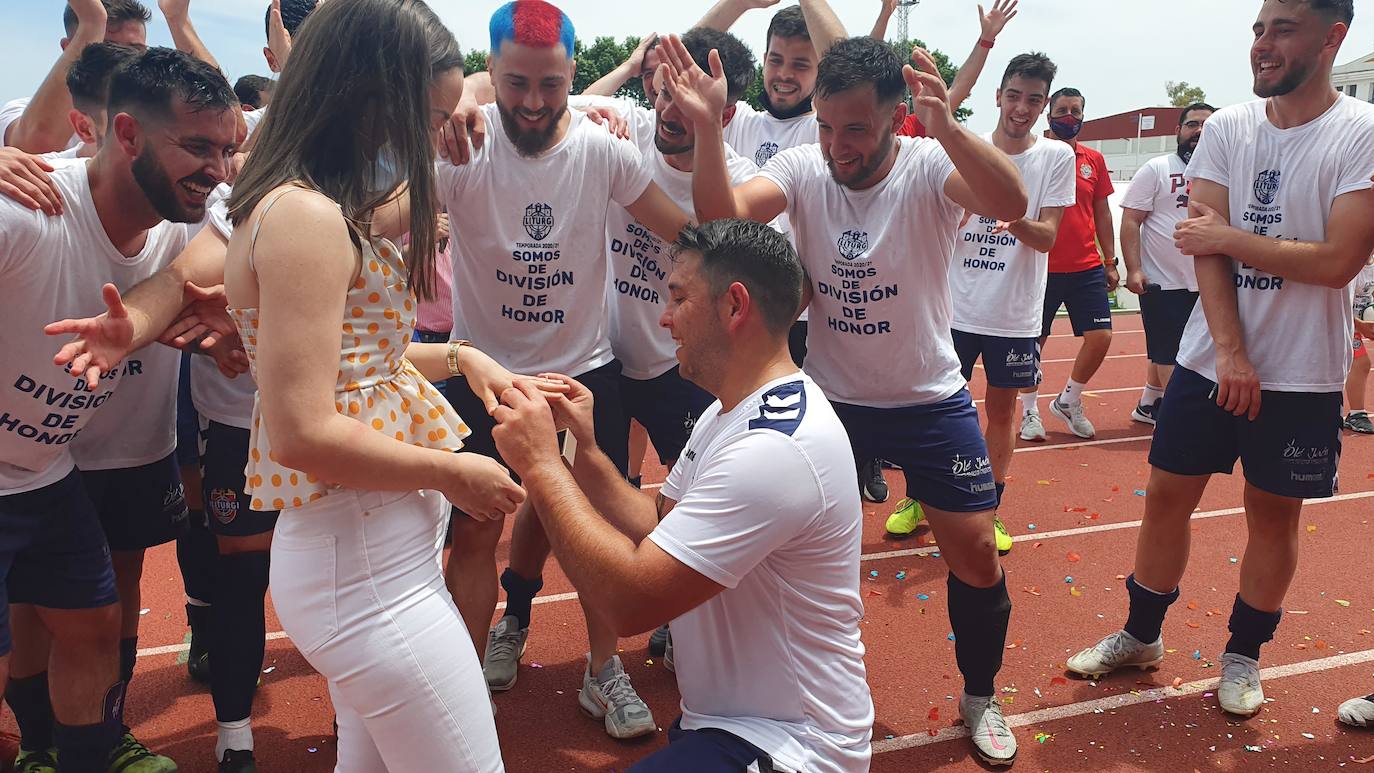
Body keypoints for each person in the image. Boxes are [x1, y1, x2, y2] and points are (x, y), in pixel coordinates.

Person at [673, 31, 1028, 765]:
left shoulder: (930, 165)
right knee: (785, 552)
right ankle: (740, 675)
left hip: (929, 397)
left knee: (976, 558)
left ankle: (981, 695)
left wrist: (950, 128)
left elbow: (1012, 200)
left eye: (857, 129)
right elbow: (727, 228)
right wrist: (709, 130)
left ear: (899, 118)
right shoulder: (805, 168)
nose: (838, 145)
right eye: (828, 126)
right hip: (831, 404)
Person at [1066, 0, 1374, 719]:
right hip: (1211, 362)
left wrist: (1231, 238)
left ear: (1334, 38)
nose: (1262, 45)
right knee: (1167, 497)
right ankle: (1141, 636)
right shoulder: (1230, 126)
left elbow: (1337, 262)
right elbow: (1200, 249)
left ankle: (1243, 656)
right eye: (1258, 29)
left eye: (1282, 30)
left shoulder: (1359, 135)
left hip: (1302, 372)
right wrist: (1230, 350)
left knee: (1273, 516)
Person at [490, 218, 873, 773]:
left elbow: (629, 602)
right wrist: (585, 453)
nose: (664, 318)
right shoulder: (731, 410)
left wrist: (543, 465)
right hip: (731, 726)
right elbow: (657, 523)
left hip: (795, 747)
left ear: (734, 306)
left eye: (678, 297)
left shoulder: (777, 448)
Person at [433, 0, 690, 739]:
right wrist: (441, 116)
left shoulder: (603, 149)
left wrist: (761, 258)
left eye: (551, 85)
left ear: (572, 77)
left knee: (601, 526)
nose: (534, 103)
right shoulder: (460, 149)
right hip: (484, 375)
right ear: (490, 72)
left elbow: (681, 231)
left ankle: (602, 670)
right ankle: (466, 680)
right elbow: (378, 211)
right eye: (515, 83)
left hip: (583, 375)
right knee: (476, 534)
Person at [2, 45, 237, 773]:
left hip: (45, 470)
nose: (218, 169)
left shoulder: (193, 224)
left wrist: (227, 341)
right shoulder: (27, 213)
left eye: (227, 149)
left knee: (98, 621)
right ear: (126, 133)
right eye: (198, 146)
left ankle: (85, 754)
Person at [942, 52, 1074, 556]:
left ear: (1043, 106)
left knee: (1001, 409)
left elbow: (1046, 238)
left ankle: (990, 507)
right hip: (951, 308)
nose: (1022, 108)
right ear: (997, 96)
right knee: (937, 409)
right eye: (1014, 96)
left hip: (1013, 313)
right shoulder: (965, 148)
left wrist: (1012, 217)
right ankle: (924, 499)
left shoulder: (1055, 158)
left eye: (1034, 100)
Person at [1019, 86, 1117, 441]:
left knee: (1101, 336)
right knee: (1034, 344)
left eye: (1076, 110)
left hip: (1086, 266)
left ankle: (1069, 400)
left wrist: (1110, 259)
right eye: (1062, 110)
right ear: (1048, 114)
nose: (1069, 117)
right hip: (1039, 266)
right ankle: (1030, 412)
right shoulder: (1036, 155)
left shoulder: (1094, 160)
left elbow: (1102, 213)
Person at [1121, 102, 1215, 424]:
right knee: (1168, 354)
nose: (1199, 131)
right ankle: (1180, 423)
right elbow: (1131, 220)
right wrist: (1134, 269)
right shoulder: (1157, 168)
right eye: (1192, 125)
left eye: (1207, 125)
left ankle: (1149, 405)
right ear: (1178, 131)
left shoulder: (1224, 173)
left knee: (1189, 352)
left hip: (1208, 283)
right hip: (1164, 282)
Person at [1, 0, 147, 154]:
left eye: (134, 51)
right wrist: (93, 23)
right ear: (68, 48)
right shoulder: (20, 111)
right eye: (106, 49)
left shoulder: (156, 113)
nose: (121, 62)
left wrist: (174, 17)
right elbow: (32, 150)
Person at [873, 0, 1020, 141]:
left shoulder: (917, 126)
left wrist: (986, 39)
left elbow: (960, 87)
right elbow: (864, 70)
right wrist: (885, 12)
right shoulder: (863, 138)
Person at [1344, 258, 1374, 433]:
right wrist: (1360, 324)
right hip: (1346, 321)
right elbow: (1341, 304)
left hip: (1360, 322)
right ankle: (1356, 415)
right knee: (1362, 363)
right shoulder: (1352, 266)